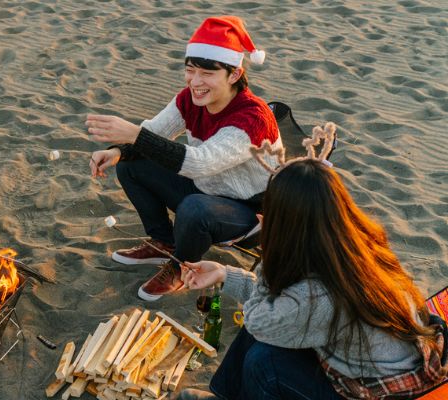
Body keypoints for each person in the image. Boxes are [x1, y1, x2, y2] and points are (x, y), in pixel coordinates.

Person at [176, 158, 447, 399]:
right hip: (387, 365)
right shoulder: (355, 248)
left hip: (374, 391)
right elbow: (285, 307)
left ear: (286, 225)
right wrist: (225, 274)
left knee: (265, 361)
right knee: (270, 332)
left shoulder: (321, 294)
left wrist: (270, 250)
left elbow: (260, 318)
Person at [86, 16, 282, 301]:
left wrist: (133, 135)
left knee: (194, 209)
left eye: (208, 73)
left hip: (252, 211)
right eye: (190, 70)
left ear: (235, 74)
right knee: (129, 164)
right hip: (205, 187)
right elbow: (154, 131)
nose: (196, 81)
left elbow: (200, 162)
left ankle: (181, 267)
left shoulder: (252, 118)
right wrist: (118, 150)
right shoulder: (190, 98)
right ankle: (164, 242)